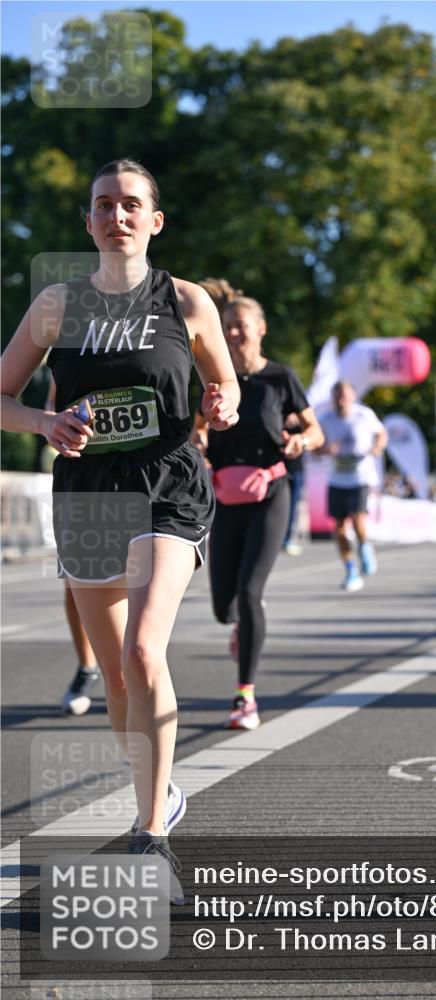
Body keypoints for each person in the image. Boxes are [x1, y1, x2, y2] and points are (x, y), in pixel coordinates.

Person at [0, 159, 240, 896]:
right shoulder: (55, 305)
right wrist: (43, 421)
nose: (118, 215)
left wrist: (222, 402)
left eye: (131, 204)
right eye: (104, 204)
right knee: (114, 678)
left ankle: (150, 836)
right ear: (88, 222)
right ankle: (159, 792)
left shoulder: (187, 301)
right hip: (87, 494)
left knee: (143, 649)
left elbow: (223, 382)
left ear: (154, 220)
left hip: (166, 484)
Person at [198, 281, 323, 731]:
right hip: (225, 499)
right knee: (223, 607)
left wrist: (299, 440)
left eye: (241, 327)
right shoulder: (212, 380)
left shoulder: (280, 378)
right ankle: (240, 623)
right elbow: (196, 427)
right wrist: (198, 440)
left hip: (271, 494)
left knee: (251, 593)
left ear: (261, 329)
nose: (233, 334)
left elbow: (316, 432)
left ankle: (244, 697)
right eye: (227, 326)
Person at [43, 377, 101, 714]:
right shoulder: (71, 337)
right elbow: (52, 403)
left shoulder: (150, 332)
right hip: (81, 475)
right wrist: (56, 421)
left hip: (142, 474)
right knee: (76, 585)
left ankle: (134, 666)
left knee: (140, 580)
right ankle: (86, 668)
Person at [319, 380, 387, 592]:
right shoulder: (325, 419)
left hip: (360, 478)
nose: (342, 400)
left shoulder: (364, 415)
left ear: (352, 396)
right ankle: (350, 570)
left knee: (358, 523)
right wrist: (325, 449)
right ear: (333, 398)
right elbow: (316, 446)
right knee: (339, 530)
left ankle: (365, 547)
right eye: (338, 396)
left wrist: (377, 447)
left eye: (345, 395)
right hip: (337, 479)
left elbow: (381, 433)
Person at [282, 412, 306, 555]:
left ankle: (288, 538)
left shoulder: (302, 412)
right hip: (277, 468)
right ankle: (278, 538)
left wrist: (297, 420)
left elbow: (314, 431)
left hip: (296, 469)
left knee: (292, 505)